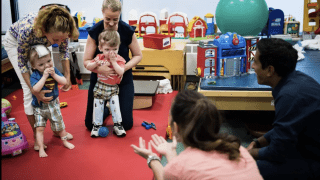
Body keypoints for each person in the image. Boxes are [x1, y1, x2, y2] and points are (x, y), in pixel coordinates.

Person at [131, 90, 263, 180]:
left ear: (176, 127)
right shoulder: (239, 150)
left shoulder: (179, 166)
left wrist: (152, 158)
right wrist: (170, 153)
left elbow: (173, 173)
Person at [2, 5, 79, 150]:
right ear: (45, 31)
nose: (59, 42)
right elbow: (22, 64)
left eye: (62, 39)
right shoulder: (27, 30)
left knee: (50, 78)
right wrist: (34, 90)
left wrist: (67, 76)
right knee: (28, 89)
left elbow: (64, 52)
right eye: (56, 39)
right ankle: (37, 136)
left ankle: (57, 129)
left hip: (42, 39)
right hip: (16, 42)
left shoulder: (62, 30)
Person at [247, 38, 320, 179]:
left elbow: (277, 153)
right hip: (306, 145)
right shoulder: (296, 79)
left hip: (314, 160)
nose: (253, 66)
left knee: (249, 168)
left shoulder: (290, 96)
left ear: (270, 70)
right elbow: (285, 127)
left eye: (255, 62)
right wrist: (257, 142)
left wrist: (247, 154)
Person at [83, 0, 142, 133]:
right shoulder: (95, 31)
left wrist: (122, 69)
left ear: (120, 15)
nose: (111, 23)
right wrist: (99, 69)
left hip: (122, 80)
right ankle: (106, 108)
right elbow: (86, 61)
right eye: (107, 19)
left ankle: (112, 107)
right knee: (89, 125)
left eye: (115, 20)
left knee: (126, 124)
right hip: (100, 80)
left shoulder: (127, 30)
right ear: (102, 13)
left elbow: (138, 55)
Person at [29, 45, 75, 157]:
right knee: (39, 128)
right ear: (34, 66)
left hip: (53, 105)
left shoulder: (54, 70)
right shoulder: (35, 75)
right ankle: (41, 148)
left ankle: (64, 142)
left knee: (60, 125)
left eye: (49, 61)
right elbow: (35, 89)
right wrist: (44, 77)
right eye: (41, 64)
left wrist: (54, 74)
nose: (46, 66)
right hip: (39, 107)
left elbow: (64, 81)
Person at [85, 30, 126, 137]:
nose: (111, 53)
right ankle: (97, 125)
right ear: (100, 48)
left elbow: (121, 71)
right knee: (98, 106)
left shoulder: (119, 59)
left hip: (113, 88)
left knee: (115, 105)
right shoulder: (99, 57)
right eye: (107, 49)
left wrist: (113, 62)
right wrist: (95, 64)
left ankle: (118, 124)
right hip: (100, 87)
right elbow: (88, 66)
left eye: (115, 49)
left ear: (118, 48)